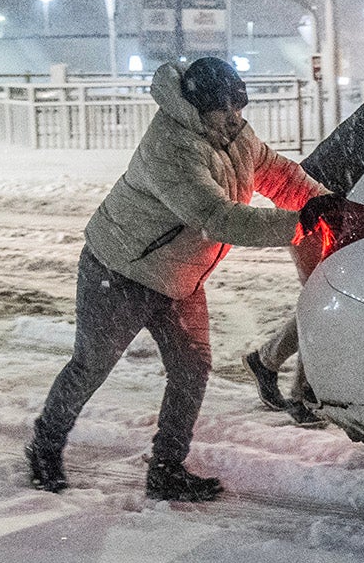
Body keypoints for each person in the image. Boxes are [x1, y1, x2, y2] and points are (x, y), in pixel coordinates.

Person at [25, 57, 340, 500]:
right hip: (121, 271)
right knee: (91, 366)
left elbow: (280, 175)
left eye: (239, 105)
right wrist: (301, 224)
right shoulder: (171, 146)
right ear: (197, 106)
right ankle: (45, 445)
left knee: (191, 369)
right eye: (224, 108)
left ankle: (167, 470)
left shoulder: (235, 136)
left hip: (179, 277)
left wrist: (327, 204)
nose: (235, 116)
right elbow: (217, 217)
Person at [246, 92, 364, 425]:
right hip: (313, 213)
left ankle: (268, 362)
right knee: (323, 302)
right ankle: (301, 394)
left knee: (323, 300)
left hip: (317, 208)